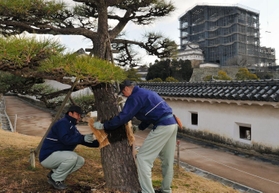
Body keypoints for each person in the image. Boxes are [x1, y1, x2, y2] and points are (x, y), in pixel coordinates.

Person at [94, 80, 178, 193]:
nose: (123, 95)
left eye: (123, 93)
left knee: (143, 158)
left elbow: (124, 116)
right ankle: (166, 190)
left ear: (127, 89)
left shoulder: (134, 97)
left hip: (163, 126)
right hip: (172, 123)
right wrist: (140, 127)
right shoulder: (146, 93)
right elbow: (151, 113)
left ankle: (147, 191)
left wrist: (105, 125)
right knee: (167, 160)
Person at [39, 105, 99, 190]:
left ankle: (54, 173)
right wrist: (82, 138)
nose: (79, 117)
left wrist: (100, 143)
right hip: (47, 156)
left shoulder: (71, 126)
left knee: (80, 161)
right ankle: (55, 179)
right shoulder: (63, 123)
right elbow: (65, 139)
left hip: (56, 155)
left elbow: (81, 140)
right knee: (72, 157)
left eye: (80, 115)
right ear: (70, 113)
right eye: (78, 114)